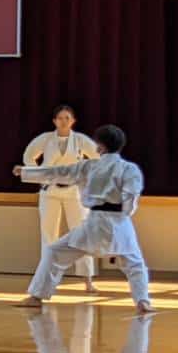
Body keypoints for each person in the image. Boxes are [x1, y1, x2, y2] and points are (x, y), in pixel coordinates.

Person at [13, 124, 153, 314]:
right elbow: (131, 197)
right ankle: (143, 301)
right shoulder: (130, 169)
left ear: (100, 147)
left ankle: (36, 296)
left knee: (54, 252)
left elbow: (58, 172)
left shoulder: (88, 167)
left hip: (94, 223)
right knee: (135, 264)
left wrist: (27, 172)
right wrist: (125, 212)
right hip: (121, 224)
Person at [23, 105, 101, 292]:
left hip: (74, 191)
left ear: (73, 121)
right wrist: (40, 176)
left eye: (67, 118)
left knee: (81, 233)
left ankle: (87, 280)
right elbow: (28, 156)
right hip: (50, 191)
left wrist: (85, 175)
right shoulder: (46, 139)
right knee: (49, 235)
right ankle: (47, 281)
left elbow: (97, 157)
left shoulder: (81, 140)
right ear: (54, 121)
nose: (63, 121)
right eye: (60, 118)